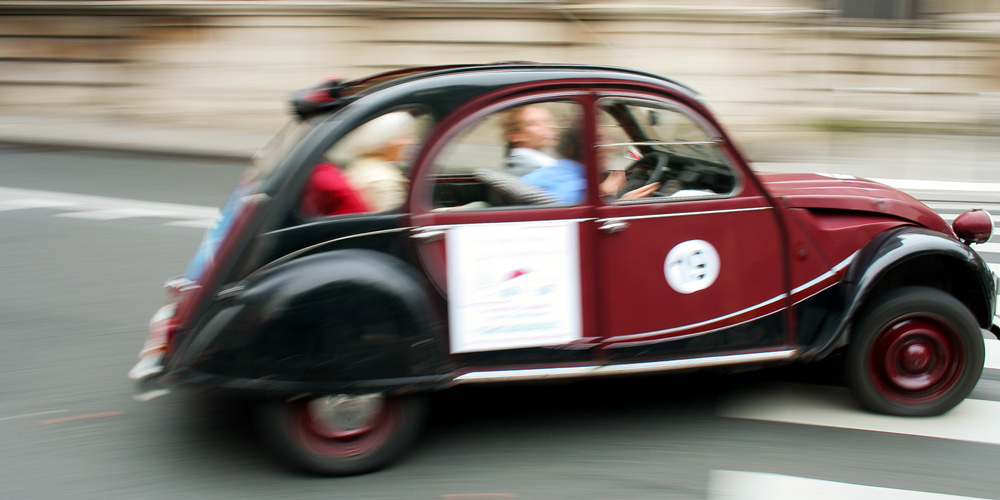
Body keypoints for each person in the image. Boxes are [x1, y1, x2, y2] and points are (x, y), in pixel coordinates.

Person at [520, 127, 660, 204]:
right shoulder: (577, 189)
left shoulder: (553, 171)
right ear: (572, 148)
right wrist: (623, 204)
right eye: (599, 141)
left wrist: (603, 192)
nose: (611, 147)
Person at [341, 111, 418, 212]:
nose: (412, 141)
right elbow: (392, 223)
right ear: (383, 140)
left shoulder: (358, 166)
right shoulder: (386, 182)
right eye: (404, 136)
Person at [500, 105, 560, 176]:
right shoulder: (526, 169)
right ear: (515, 136)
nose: (548, 127)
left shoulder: (541, 163)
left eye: (547, 121)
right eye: (532, 124)